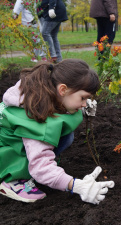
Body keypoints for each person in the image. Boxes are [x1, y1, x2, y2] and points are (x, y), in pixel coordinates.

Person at [0, 59, 114, 204]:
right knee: (46, 155)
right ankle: (12, 179)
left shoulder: (41, 91)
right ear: (62, 89)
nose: (85, 103)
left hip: (10, 141)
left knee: (66, 135)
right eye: (83, 98)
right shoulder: (37, 119)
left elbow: (62, 109)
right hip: (3, 153)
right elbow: (40, 167)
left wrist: (84, 108)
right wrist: (75, 185)